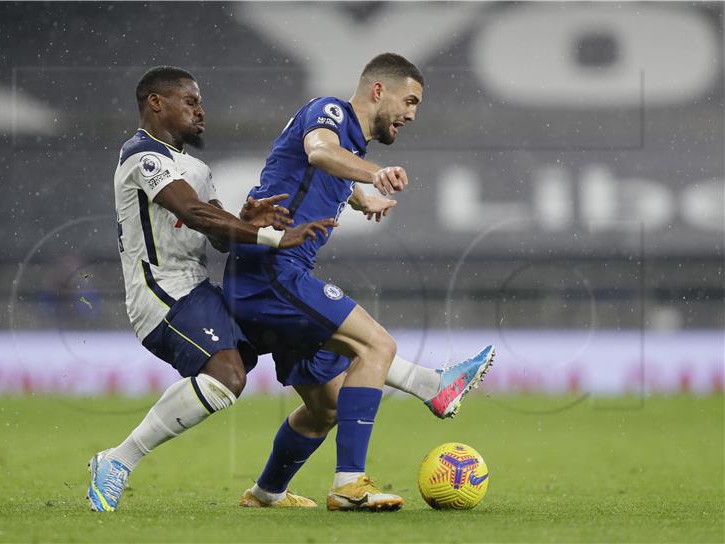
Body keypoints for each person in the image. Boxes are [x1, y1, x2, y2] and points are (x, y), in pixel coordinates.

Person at [223, 53, 494, 511]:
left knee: (327, 408)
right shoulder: (330, 112)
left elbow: (318, 168)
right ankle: (354, 480)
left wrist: (360, 194)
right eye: (409, 100)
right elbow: (318, 152)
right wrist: (375, 176)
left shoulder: (348, 142)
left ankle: (266, 493)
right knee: (376, 346)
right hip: (272, 271)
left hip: (264, 277)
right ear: (377, 91)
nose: (411, 113)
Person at [86, 66, 335, 512]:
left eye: (200, 102)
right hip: (162, 295)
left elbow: (218, 233)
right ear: (156, 103)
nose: (201, 111)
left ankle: (269, 492)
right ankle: (116, 460)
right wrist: (272, 236)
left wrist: (248, 220)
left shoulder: (195, 167)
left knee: (299, 334)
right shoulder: (141, 155)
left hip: (199, 290)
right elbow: (196, 213)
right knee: (228, 377)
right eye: (190, 101)